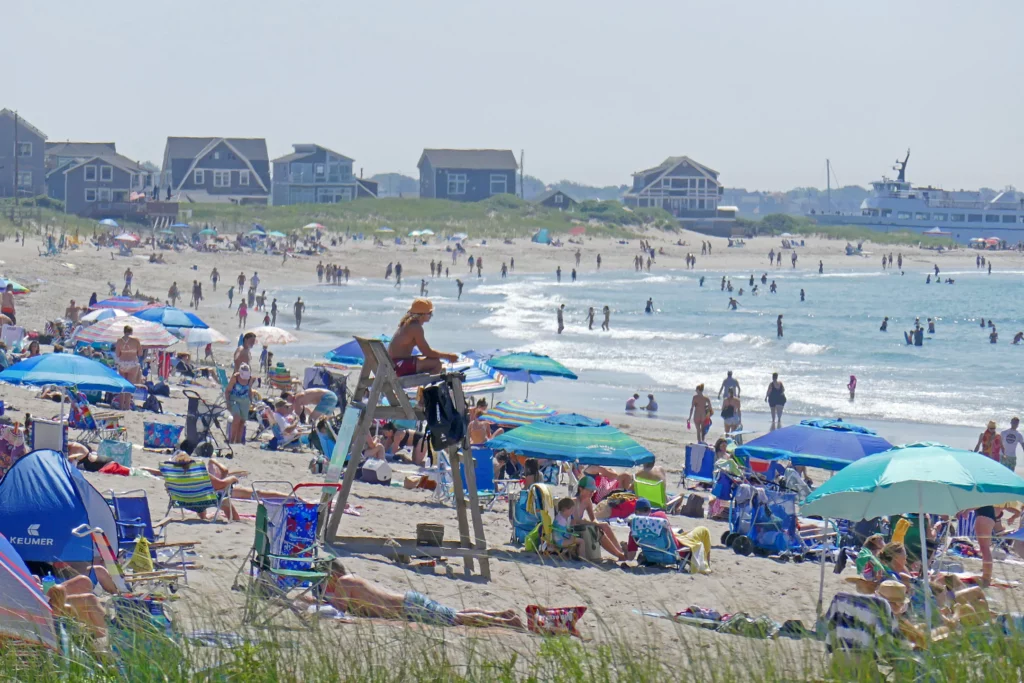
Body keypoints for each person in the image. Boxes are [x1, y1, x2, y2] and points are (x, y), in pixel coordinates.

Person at [304, 560, 524, 629]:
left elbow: (337, 610)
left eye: (325, 581)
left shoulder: (345, 582)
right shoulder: (348, 581)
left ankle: (502, 622)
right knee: (454, 613)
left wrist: (308, 603)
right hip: (408, 604)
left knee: (456, 619)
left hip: (408, 606)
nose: (325, 588)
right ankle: (501, 614)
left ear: (332, 575)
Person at [388, 298, 458, 376]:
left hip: (394, 364)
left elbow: (427, 351)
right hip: (398, 366)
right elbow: (427, 352)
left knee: (432, 360)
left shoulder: (408, 324)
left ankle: (423, 384)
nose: (431, 315)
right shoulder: (415, 327)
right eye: (430, 313)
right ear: (422, 314)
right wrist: (448, 356)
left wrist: (442, 356)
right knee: (436, 364)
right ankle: (426, 387)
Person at [573, 475, 626, 561]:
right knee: (597, 531)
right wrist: (591, 523)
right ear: (580, 489)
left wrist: (596, 523)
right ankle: (619, 554)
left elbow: (593, 518)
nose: (592, 492)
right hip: (572, 529)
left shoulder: (588, 501)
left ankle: (619, 551)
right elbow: (575, 521)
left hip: (581, 527)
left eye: (593, 490)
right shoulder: (574, 501)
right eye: (590, 490)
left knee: (604, 525)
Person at [223, 364, 254, 444]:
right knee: (236, 418)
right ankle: (231, 440)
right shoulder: (235, 378)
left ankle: (238, 441)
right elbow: (227, 391)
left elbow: (249, 389)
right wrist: (227, 403)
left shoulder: (250, 378)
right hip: (234, 399)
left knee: (242, 421)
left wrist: (251, 400)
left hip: (245, 401)